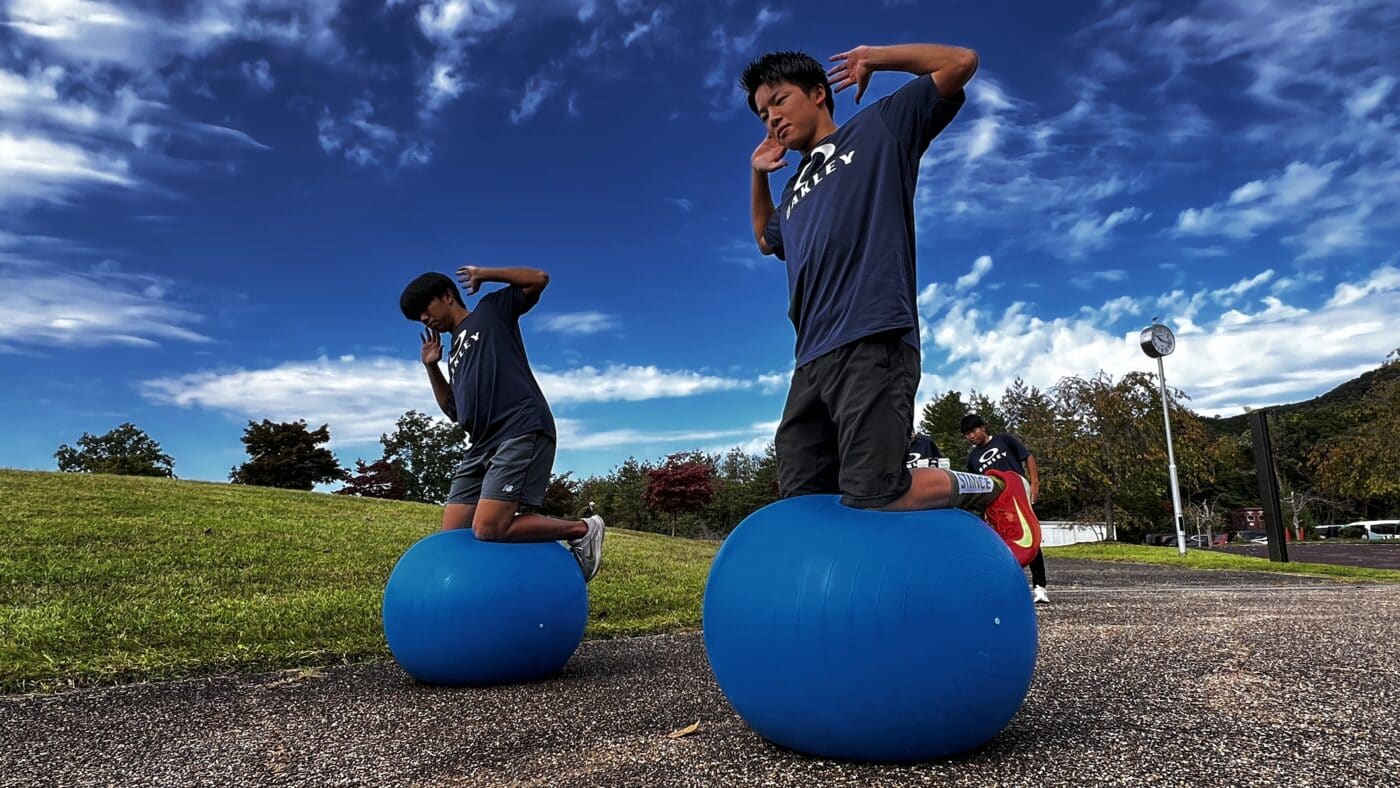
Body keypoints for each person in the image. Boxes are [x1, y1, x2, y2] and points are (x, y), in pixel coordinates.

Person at [742, 44, 1039, 558]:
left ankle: (994, 488)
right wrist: (759, 175)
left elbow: (960, 62)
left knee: (877, 492)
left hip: (873, 335)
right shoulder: (792, 190)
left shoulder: (878, 129)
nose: (772, 117)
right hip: (810, 359)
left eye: (779, 100)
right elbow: (766, 240)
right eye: (763, 112)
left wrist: (876, 58)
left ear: (817, 94)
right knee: (802, 499)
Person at [399, 266, 605, 581]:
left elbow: (539, 278)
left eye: (425, 310)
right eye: (418, 319)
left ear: (446, 296)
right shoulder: (454, 352)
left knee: (489, 527)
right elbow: (453, 409)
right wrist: (432, 367)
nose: (424, 320)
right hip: (479, 445)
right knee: (453, 534)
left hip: (519, 427)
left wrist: (485, 273)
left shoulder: (491, 311)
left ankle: (583, 529)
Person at [962, 414, 1048, 603]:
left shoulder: (1004, 440)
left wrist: (1035, 482)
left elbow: (1028, 456)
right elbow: (977, 485)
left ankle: (1040, 587)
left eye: (974, 430)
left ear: (983, 427)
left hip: (1018, 493)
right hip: (996, 505)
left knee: (1028, 536)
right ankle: (1009, 586)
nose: (972, 436)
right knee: (1002, 544)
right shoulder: (972, 459)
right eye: (967, 434)